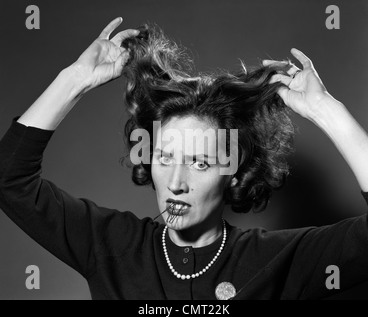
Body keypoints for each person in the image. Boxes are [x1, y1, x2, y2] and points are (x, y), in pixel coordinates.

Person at [0, 17, 368, 300]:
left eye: (200, 163)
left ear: (235, 174)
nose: (176, 182)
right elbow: (9, 178)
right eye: (165, 157)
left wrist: (325, 111)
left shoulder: (277, 260)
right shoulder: (112, 245)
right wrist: (75, 78)